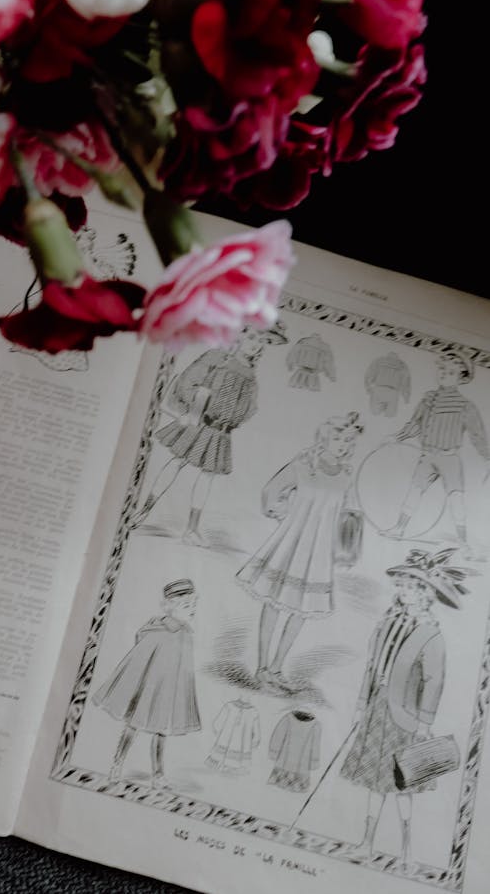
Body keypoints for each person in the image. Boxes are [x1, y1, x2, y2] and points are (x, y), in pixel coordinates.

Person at [340, 548, 470, 867]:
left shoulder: (430, 633)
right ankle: (367, 843)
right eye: (401, 585)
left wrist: (424, 724)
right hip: (377, 708)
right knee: (374, 781)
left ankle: (407, 850)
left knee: (403, 784)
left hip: (406, 718)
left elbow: (433, 681)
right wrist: (361, 703)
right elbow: (372, 665)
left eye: (412, 587)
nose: (404, 592)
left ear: (425, 594)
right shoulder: (387, 622)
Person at [235, 412, 364, 690]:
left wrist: (346, 548)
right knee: (274, 603)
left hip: (319, 551)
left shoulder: (345, 476)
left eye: (347, 440)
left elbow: (351, 512)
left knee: (302, 610)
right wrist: (283, 514)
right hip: (292, 542)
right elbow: (271, 491)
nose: (342, 444)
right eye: (337, 437)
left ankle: (277, 668)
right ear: (325, 437)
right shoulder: (305, 465)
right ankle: (261, 669)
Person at [134, 323, 287, 545]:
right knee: (177, 463)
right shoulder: (218, 358)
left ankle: (192, 528)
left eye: (262, 342)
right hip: (199, 423)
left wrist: (233, 418)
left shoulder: (251, 374)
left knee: (207, 476)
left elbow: (249, 407)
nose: (256, 345)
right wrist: (189, 409)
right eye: (253, 338)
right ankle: (143, 511)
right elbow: (188, 381)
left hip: (220, 433)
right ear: (240, 335)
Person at [93, 578, 200, 788]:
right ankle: (117, 764)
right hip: (148, 688)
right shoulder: (156, 628)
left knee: (162, 733)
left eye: (193, 605)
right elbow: (140, 649)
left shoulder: (187, 633)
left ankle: (158, 775)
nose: (192, 610)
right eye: (187, 605)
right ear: (171, 606)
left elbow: (185, 668)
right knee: (133, 726)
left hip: (168, 691)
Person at [382, 349, 489, 557]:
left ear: (461, 377)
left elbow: (477, 435)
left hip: (450, 458)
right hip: (427, 456)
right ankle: (399, 528)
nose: (443, 374)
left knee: (456, 498)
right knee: (414, 490)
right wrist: (397, 437)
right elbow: (415, 424)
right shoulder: (428, 399)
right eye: (441, 370)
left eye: (450, 372)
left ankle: (462, 541)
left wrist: (487, 458)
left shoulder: (465, 405)